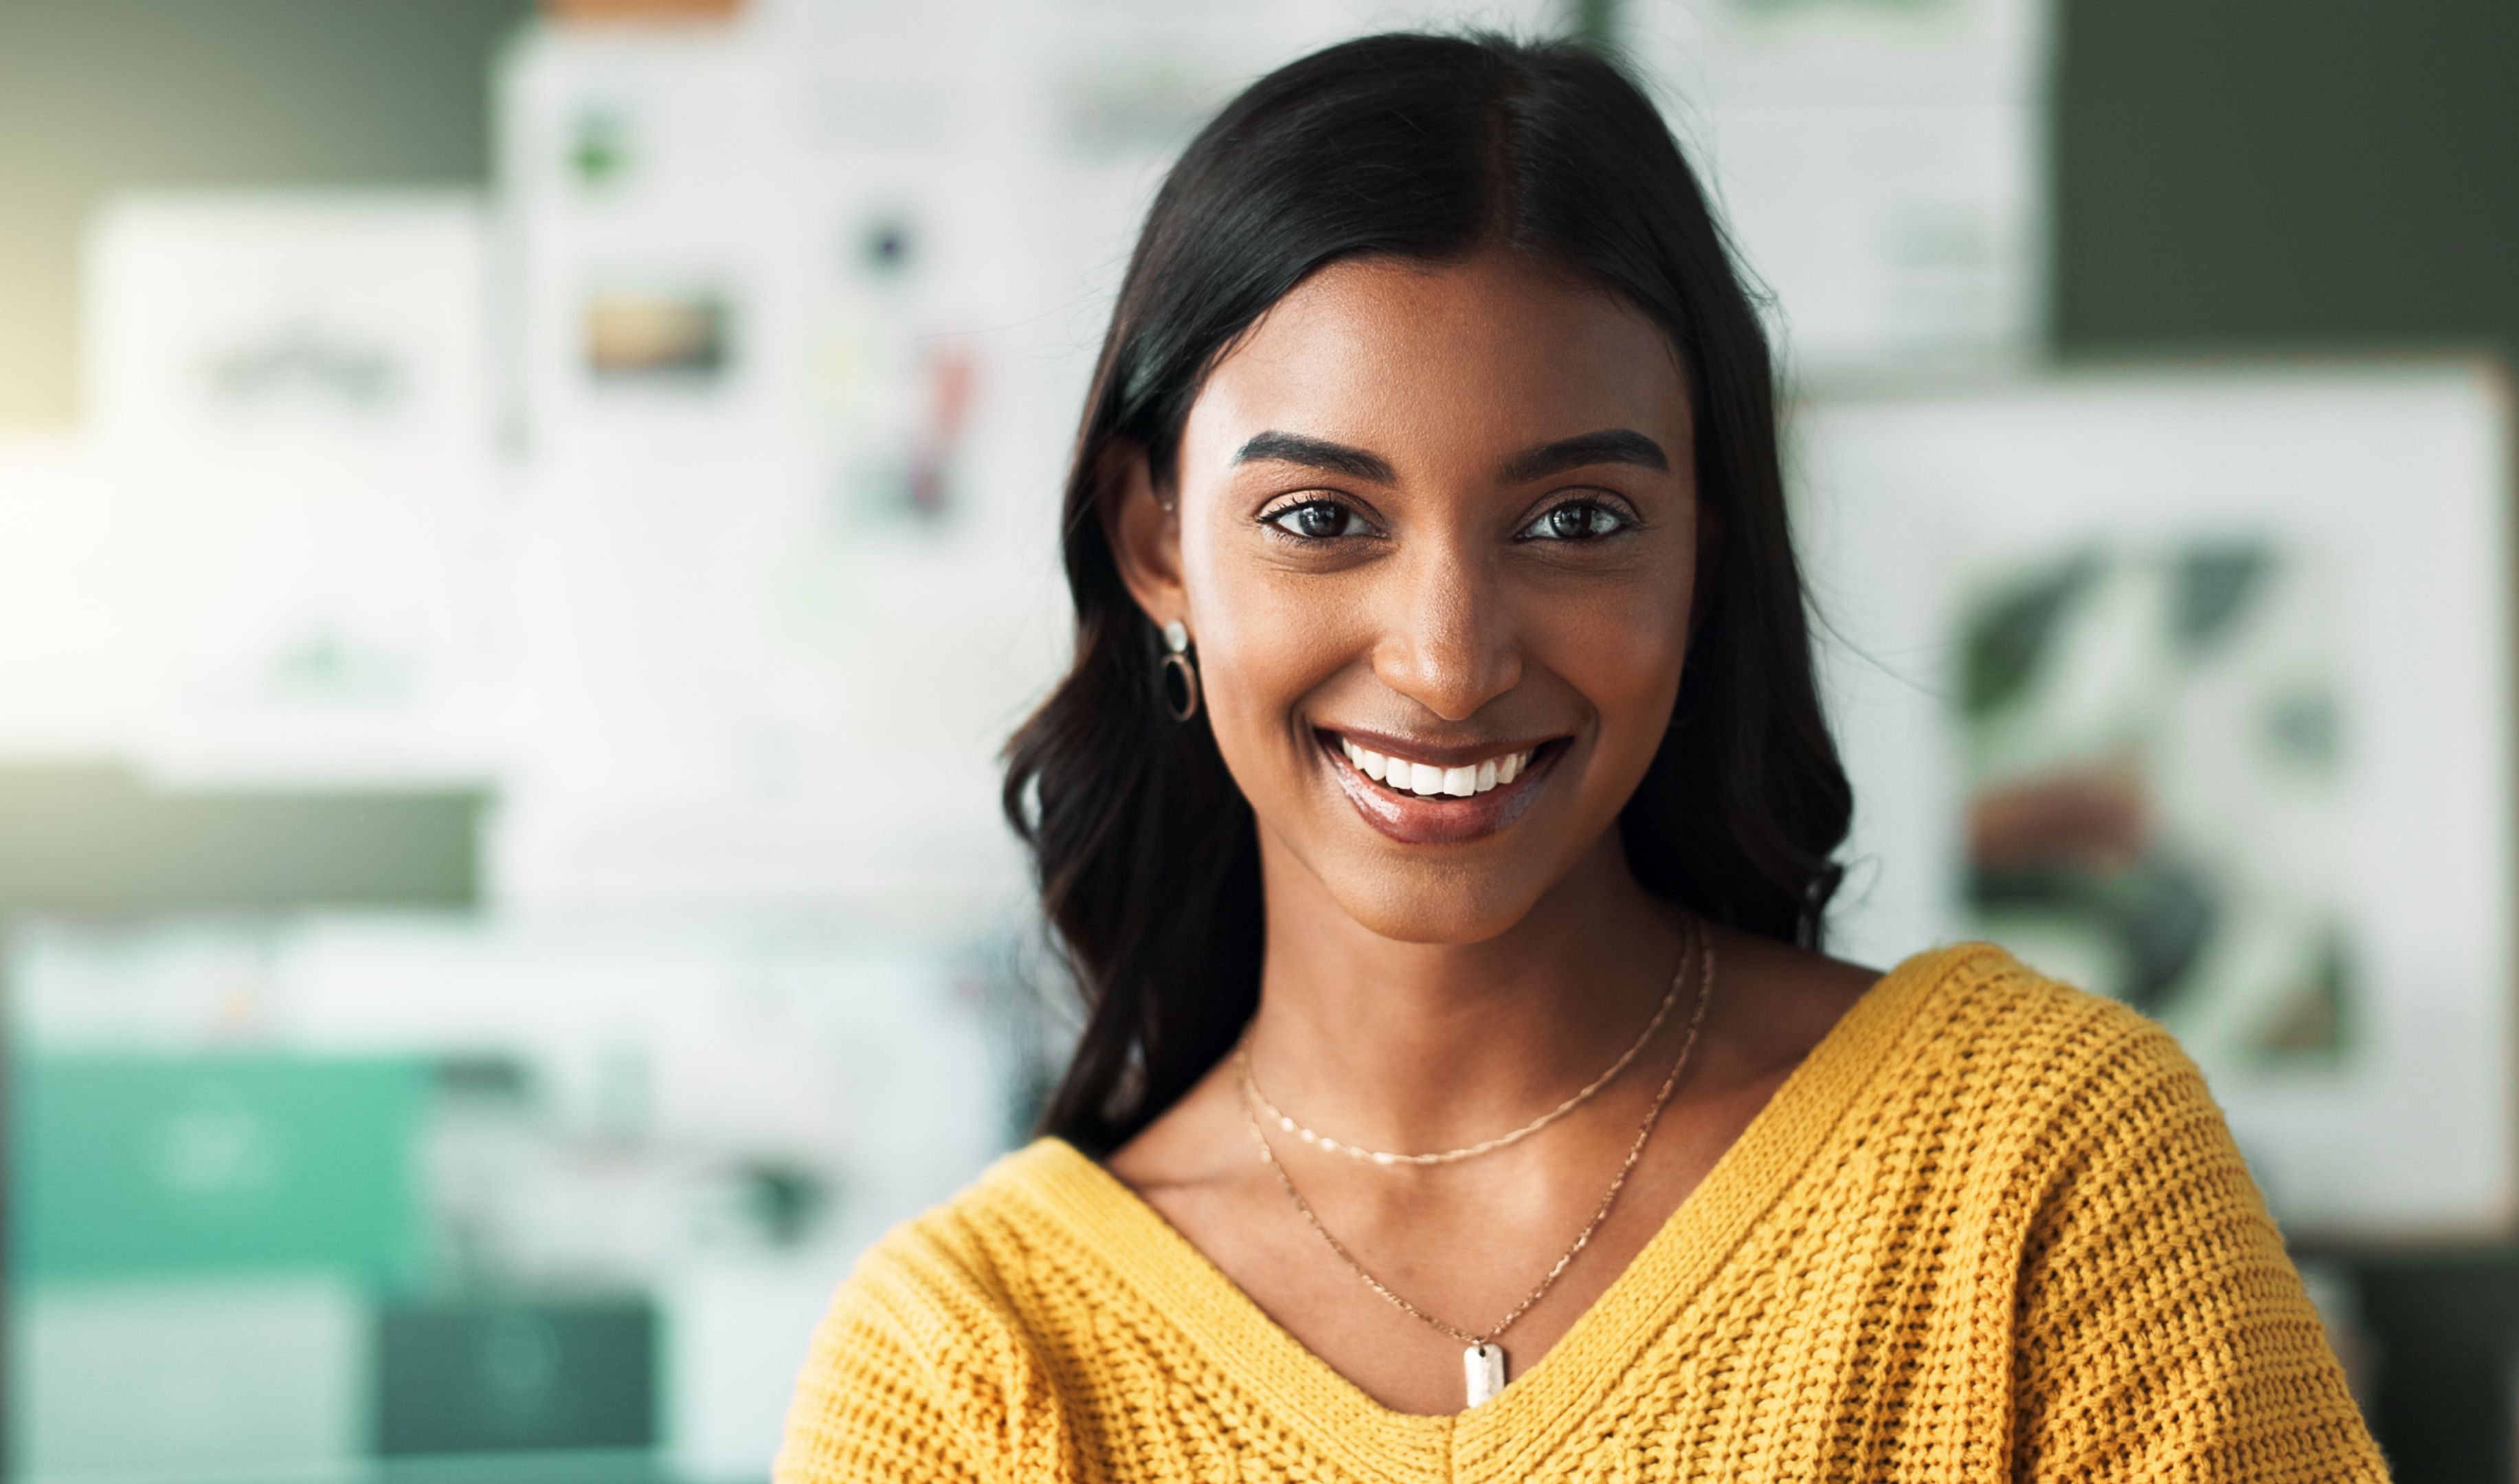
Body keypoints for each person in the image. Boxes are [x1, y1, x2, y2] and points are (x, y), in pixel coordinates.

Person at [780, 30, 2388, 1483]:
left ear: (1704, 548)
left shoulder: (2039, 1181)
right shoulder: (967, 1374)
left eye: (1575, 521)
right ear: (1156, 546)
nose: (1448, 658)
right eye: (1320, 520)